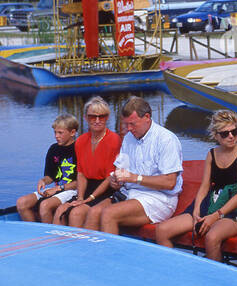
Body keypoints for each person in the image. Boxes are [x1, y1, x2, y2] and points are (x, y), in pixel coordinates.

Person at [154, 110, 237, 260]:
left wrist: (215, 217)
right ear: (215, 135)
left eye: (234, 132)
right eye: (225, 133)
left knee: (212, 237)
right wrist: (196, 211)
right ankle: (173, 272)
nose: (231, 136)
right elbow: (204, 186)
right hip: (211, 203)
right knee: (162, 230)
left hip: (236, 210)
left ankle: (215, 281)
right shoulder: (212, 154)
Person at [74, 96, 183, 236]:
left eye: (133, 124)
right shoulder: (129, 138)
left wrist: (135, 178)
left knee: (108, 214)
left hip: (159, 198)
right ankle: (90, 256)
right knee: (93, 212)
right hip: (131, 193)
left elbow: (169, 182)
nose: (129, 129)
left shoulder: (166, 139)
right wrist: (115, 181)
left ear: (147, 117)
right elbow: (121, 171)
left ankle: (112, 257)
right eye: (126, 124)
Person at [42, 97, 121, 225]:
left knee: (76, 213)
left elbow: (109, 178)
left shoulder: (114, 140)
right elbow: (81, 174)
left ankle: (80, 243)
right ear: (86, 118)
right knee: (60, 211)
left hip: (106, 189)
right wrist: (80, 197)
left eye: (101, 117)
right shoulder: (81, 141)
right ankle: (59, 243)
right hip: (86, 186)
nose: (97, 121)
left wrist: (88, 199)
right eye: (92, 117)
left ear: (107, 118)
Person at [16, 115, 79, 222]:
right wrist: (43, 181)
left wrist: (58, 189)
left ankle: (49, 237)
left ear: (72, 132)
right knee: (21, 202)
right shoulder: (53, 149)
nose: (56, 136)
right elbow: (50, 176)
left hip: (73, 190)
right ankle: (36, 234)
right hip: (58, 189)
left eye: (60, 133)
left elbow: (81, 181)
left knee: (45, 205)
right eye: (55, 132)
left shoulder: (80, 148)